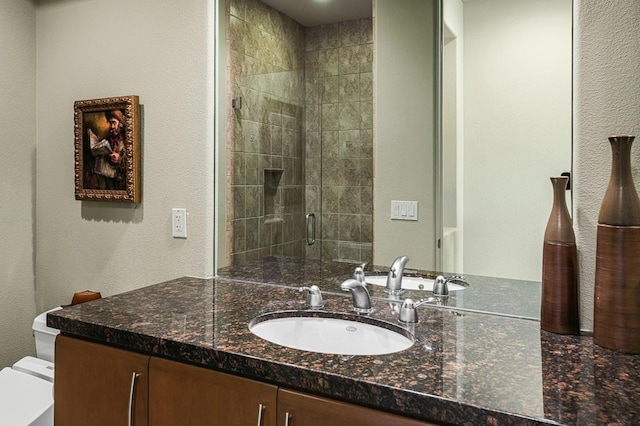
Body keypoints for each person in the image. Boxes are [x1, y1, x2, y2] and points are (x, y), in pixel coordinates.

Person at [86, 109, 127, 190]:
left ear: (121, 124)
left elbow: (132, 161)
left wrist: (119, 159)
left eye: (114, 123)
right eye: (110, 123)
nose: (111, 127)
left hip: (119, 181)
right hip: (105, 178)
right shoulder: (108, 137)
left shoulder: (126, 140)